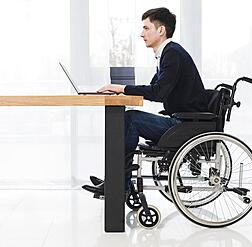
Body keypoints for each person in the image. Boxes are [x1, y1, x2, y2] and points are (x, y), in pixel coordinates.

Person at [82, 7, 208, 197]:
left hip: (184, 125)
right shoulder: (168, 53)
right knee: (128, 118)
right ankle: (116, 180)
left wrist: (122, 88)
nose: (142, 34)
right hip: (181, 121)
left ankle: (118, 184)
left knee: (130, 119)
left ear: (161, 30)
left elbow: (158, 93)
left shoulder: (172, 53)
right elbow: (153, 87)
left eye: (146, 28)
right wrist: (122, 92)